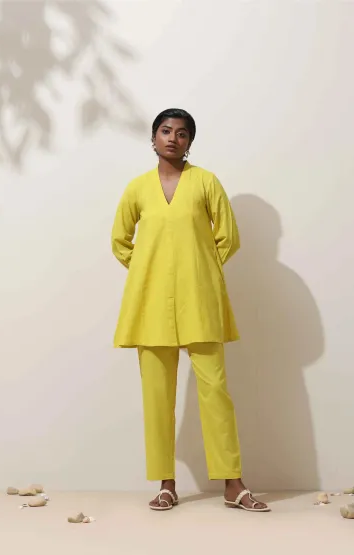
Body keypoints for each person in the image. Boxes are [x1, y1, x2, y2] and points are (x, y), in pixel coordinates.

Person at [111, 108, 270, 513]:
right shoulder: (137, 188)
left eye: (182, 133)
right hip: (150, 304)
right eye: (165, 131)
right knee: (157, 396)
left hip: (199, 300)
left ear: (189, 142)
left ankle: (233, 483)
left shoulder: (206, 182)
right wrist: (149, 269)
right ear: (153, 138)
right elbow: (120, 241)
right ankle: (166, 484)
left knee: (215, 391)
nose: (173, 138)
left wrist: (200, 269)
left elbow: (228, 237)